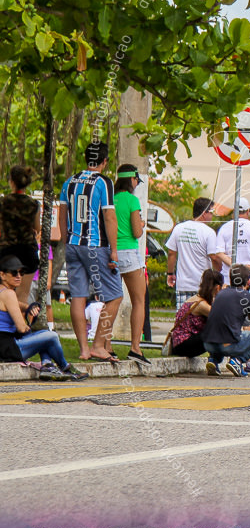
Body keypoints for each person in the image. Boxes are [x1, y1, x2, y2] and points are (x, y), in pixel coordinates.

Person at [58, 141, 122, 362]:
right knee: (115, 295)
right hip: (95, 245)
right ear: (104, 161)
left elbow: (62, 214)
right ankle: (98, 345)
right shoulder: (104, 183)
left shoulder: (69, 181)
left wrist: (67, 241)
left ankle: (84, 350)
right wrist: (114, 250)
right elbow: (109, 217)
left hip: (73, 244)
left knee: (78, 296)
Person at [0, 256, 87, 380]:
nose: (19, 276)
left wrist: (29, 307)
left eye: (21, 272)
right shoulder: (9, 294)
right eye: (14, 273)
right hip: (8, 349)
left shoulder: (3, 292)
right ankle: (64, 367)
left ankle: (47, 365)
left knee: (44, 338)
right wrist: (29, 319)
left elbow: (20, 306)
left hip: (6, 347)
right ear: (2, 275)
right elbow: (22, 328)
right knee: (51, 336)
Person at [201, 264, 250, 377]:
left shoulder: (220, 294)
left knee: (221, 333)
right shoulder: (249, 297)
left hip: (208, 344)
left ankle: (213, 360)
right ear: (248, 281)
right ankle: (238, 361)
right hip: (228, 345)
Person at [112, 164, 149, 364]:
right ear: (132, 180)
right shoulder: (132, 200)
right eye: (136, 180)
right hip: (129, 253)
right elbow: (136, 232)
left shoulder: (111, 198)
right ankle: (135, 347)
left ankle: (105, 345)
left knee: (111, 300)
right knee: (139, 300)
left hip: (111, 253)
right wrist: (141, 225)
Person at [166, 197, 230, 310]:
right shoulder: (209, 232)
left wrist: (170, 273)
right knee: (202, 321)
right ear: (204, 213)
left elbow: (171, 253)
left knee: (183, 320)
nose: (212, 215)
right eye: (211, 212)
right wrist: (221, 272)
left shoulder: (179, 228)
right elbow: (214, 257)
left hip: (183, 285)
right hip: (203, 286)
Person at [216, 197, 250, 317]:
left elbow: (219, 253)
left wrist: (237, 266)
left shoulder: (224, 228)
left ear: (234, 211)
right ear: (248, 211)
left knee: (229, 318)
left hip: (228, 281)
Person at [0, 165, 41, 308]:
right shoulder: (33, 204)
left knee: (4, 292)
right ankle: (21, 326)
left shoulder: (4, 202)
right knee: (23, 295)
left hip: (6, 251)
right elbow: (37, 228)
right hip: (27, 252)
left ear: (11, 181)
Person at [169, 269, 221, 357]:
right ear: (218, 287)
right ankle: (215, 360)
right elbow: (222, 318)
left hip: (179, 344)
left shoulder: (197, 298)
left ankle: (215, 359)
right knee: (217, 331)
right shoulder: (202, 305)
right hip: (182, 345)